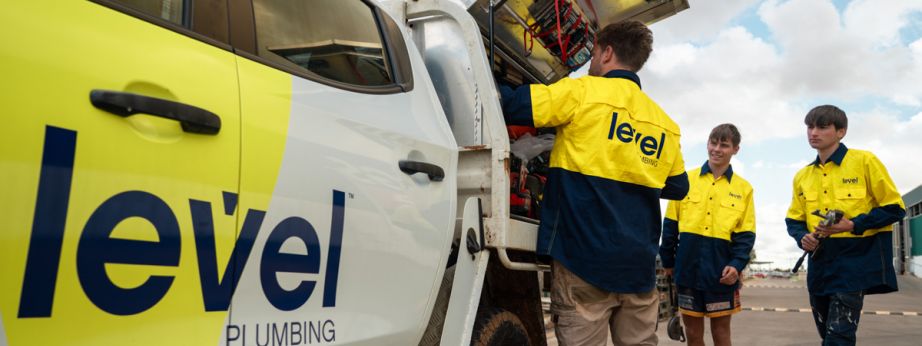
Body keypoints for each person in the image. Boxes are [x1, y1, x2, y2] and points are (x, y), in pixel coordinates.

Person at [500, 20, 688, 345]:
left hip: (582, 260)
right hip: (638, 267)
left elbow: (512, 105)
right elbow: (678, 187)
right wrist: (633, 163)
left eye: (593, 53)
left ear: (607, 53)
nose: (590, 62)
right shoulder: (665, 124)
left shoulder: (581, 93)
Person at [784, 105, 905, 346]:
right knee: (828, 335)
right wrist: (802, 237)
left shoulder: (865, 161)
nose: (813, 133)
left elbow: (895, 208)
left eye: (822, 127)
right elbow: (794, 219)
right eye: (810, 127)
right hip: (819, 264)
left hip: (854, 262)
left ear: (841, 131)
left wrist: (853, 225)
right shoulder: (802, 176)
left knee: (839, 337)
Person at [659, 123, 756, 346]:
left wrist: (737, 265)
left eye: (724, 145)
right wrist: (668, 261)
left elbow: (746, 235)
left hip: (721, 272)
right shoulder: (686, 180)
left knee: (721, 333)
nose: (717, 149)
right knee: (693, 334)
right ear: (707, 144)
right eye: (713, 143)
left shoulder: (744, 189)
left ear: (735, 149)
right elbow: (670, 226)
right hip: (687, 269)